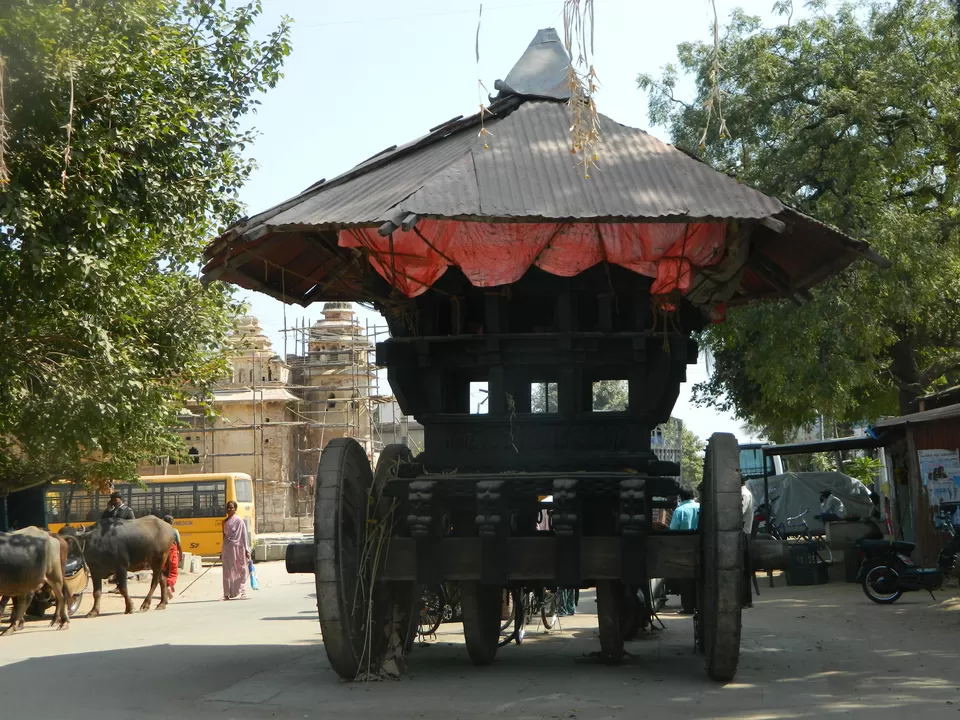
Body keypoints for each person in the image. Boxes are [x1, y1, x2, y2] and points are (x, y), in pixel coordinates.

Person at [670, 487, 700, 614]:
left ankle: (688, 607)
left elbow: (673, 529)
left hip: (684, 548)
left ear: (681, 497)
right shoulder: (701, 508)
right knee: (700, 578)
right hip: (701, 546)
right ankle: (700, 606)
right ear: (693, 495)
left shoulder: (679, 511)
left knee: (686, 578)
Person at [221, 500, 251, 600]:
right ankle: (227, 593)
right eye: (228, 508)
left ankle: (243, 592)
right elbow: (224, 537)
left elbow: (244, 536)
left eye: (232, 508)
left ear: (235, 509)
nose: (230, 510)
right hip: (228, 550)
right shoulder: (224, 522)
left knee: (241, 569)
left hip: (239, 549)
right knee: (227, 571)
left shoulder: (239, 521)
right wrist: (222, 551)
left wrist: (247, 550)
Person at [741, 478, 754, 609]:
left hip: (743, 534)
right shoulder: (744, 493)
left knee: (742, 569)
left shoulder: (743, 494)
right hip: (743, 534)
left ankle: (745, 600)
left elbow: (739, 512)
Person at [162, 515, 181, 597]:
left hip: (163, 553)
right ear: (171, 522)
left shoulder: (160, 531)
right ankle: (169, 586)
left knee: (164, 572)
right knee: (173, 572)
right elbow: (179, 544)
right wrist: (180, 553)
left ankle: (166, 587)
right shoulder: (174, 531)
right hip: (172, 553)